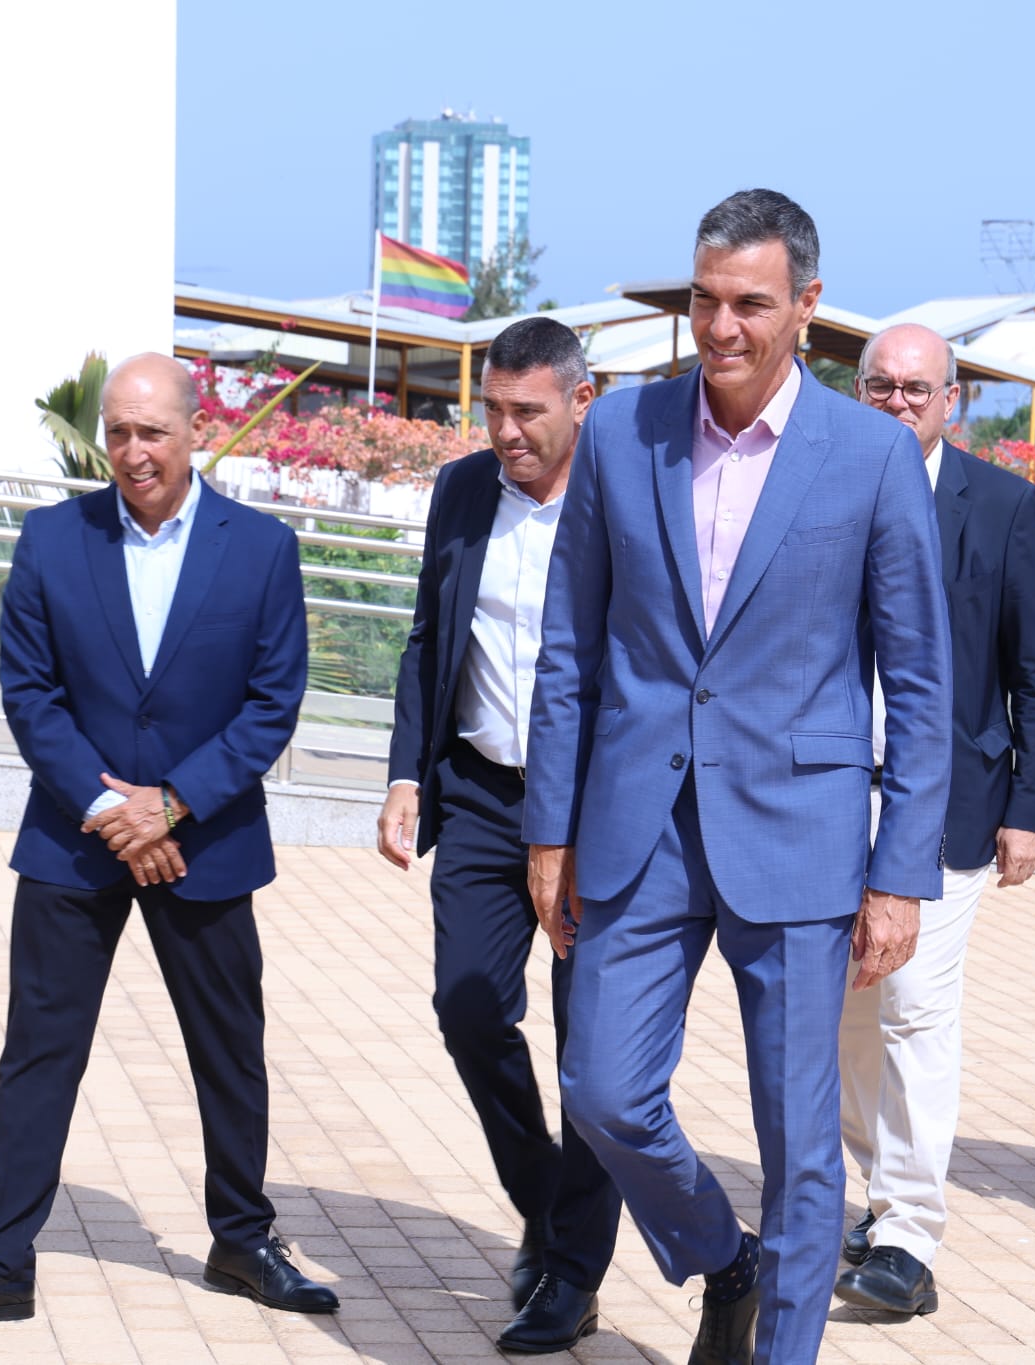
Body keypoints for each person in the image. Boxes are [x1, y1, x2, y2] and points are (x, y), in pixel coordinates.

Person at [523, 189, 952, 1365]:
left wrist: (898, 873)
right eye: (705, 300)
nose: (720, 327)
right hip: (637, 826)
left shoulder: (871, 456)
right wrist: (548, 831)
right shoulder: (622, 431)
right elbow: (568, 645)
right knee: (601, 1091)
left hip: (802, 835)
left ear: (805, 306)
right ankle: (724, 1257)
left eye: (749, 304)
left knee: (801, 1147)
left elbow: (920, 683)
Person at [0, 353, 333, 1328]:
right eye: (118, 433)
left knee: (229, 1051)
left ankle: (242, 1240)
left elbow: (271, 702)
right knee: (40, 1050)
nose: (132, 452)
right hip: (75, 840)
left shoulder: (261, 549)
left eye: (151, 432)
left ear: (195, 432)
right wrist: (112, 810)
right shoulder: (53, 539)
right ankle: (1, 1260)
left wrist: (172, 804)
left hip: (204, 842)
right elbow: (30, 693)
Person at [378, 317, 622, 1355]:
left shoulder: (626, 502)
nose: (507, 432)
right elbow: (429, 637)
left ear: (581, 401)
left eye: (528, 412)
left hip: (600, 811)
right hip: (480, 794)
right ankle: (548, 1201)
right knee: (468, 1005)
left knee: (593, 1051)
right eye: (493, 411)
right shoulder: (462, 490)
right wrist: (404, 772)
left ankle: (572, 1273)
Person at [834, 324, 1035, 1314]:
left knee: (916, 1008)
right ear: (858, 393)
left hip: (950, 803)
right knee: (846, 1017)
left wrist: (1031, 808)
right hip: (829, 797)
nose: (898, 402)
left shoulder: (1002, 506)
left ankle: (907, 1235)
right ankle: (876, 1192)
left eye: (916, 389)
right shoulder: (824, 489)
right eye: (880, 387)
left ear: (952, 401)